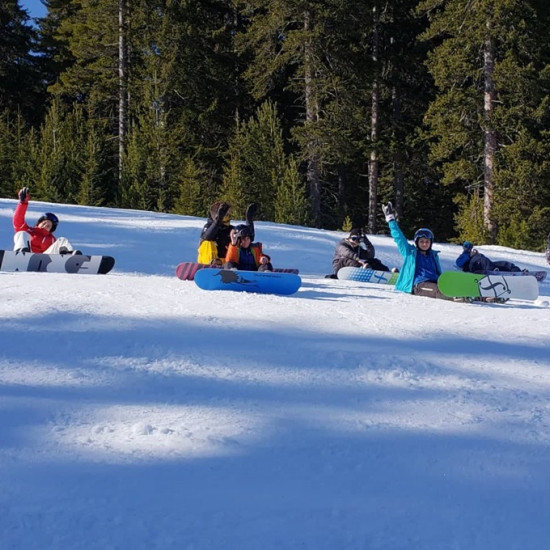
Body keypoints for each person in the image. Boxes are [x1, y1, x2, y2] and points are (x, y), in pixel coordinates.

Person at [382, 201, 451, 300]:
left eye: (427, 241)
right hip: (418, 286)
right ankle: (455, 298)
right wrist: (390, 220)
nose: (424, 244)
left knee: (445, 288)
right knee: (438, 290)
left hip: (435, 283)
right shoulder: (410, 253)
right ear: (417, 242)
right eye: (422, 241)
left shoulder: (433, 256)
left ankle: (474, 296)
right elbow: (399, 238)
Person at [13, 187, 80, 255]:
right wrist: (23, 203)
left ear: (51, 229)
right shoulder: (28, 231)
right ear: (38, 223)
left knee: (62, 240)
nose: (45, 226)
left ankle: (69, 257)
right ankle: (21, 254)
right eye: (44, 223)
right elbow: (18, 220)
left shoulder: (52, 239)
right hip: (28, 254)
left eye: (48, 226)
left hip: (45, 259)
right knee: (21, 233)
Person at [329, 228, 394, 278]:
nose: (355, 241)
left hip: (355, 266)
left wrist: (367, 243)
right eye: (354, 238)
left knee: (373, 261)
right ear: (349, 238)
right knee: (348, 260)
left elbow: (370, 256)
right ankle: (362, 269)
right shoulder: (342, 244)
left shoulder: (358, 248)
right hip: (340, 268)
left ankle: (388, 273)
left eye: (358, 240)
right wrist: (357, 259)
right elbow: (346, 252)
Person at [456, 242, 525, 273]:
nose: (468, 249)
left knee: (503, 263)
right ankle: (493, 271)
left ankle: (517, 271)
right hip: (474, 268)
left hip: (486, 265)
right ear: (464, 248)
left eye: (469, 248)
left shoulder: (475, 254)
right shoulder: (463, 256)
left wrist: (476, 254)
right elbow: (458, 263)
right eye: (466, 247)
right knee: (481, 259)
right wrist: (469, 256)